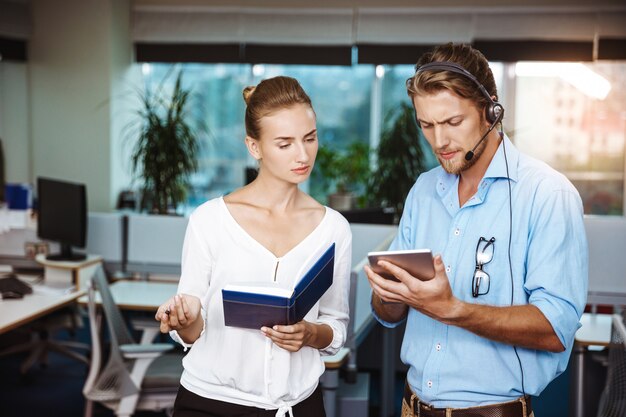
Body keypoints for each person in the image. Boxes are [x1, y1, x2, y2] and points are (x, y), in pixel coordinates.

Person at [365, 43, 588, 417]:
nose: (439, 142)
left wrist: (453, 309)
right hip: (411, 406)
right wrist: (388, 296)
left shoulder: (547, 194)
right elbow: (388, 315)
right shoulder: (423, 191)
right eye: (426, 125)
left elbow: (555, 329)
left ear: (491, 110)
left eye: (453, 123)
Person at [155, 76, 352, 417]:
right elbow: (192, 329)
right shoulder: (210, 220)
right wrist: (184, 319)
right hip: (211, 405)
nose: (303, 154)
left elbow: (335, 328)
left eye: (310, 138)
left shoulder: (334, 228)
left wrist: (309, 334)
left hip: (299, 406)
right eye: (284, 143)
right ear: (254, 146)